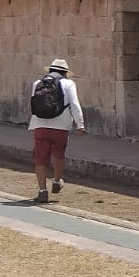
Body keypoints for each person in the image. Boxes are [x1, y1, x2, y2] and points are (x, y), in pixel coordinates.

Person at [28, 57, 84, 204]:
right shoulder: (68, 84)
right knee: (59, 155)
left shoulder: (37, 84)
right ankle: (57, 181)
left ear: (51, 70)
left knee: (40, 158)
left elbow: (34, 104)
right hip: (61, 125)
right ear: (65, 72)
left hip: (40, 125)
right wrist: (80, 124)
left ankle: (42, 191)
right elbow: (74, 104)